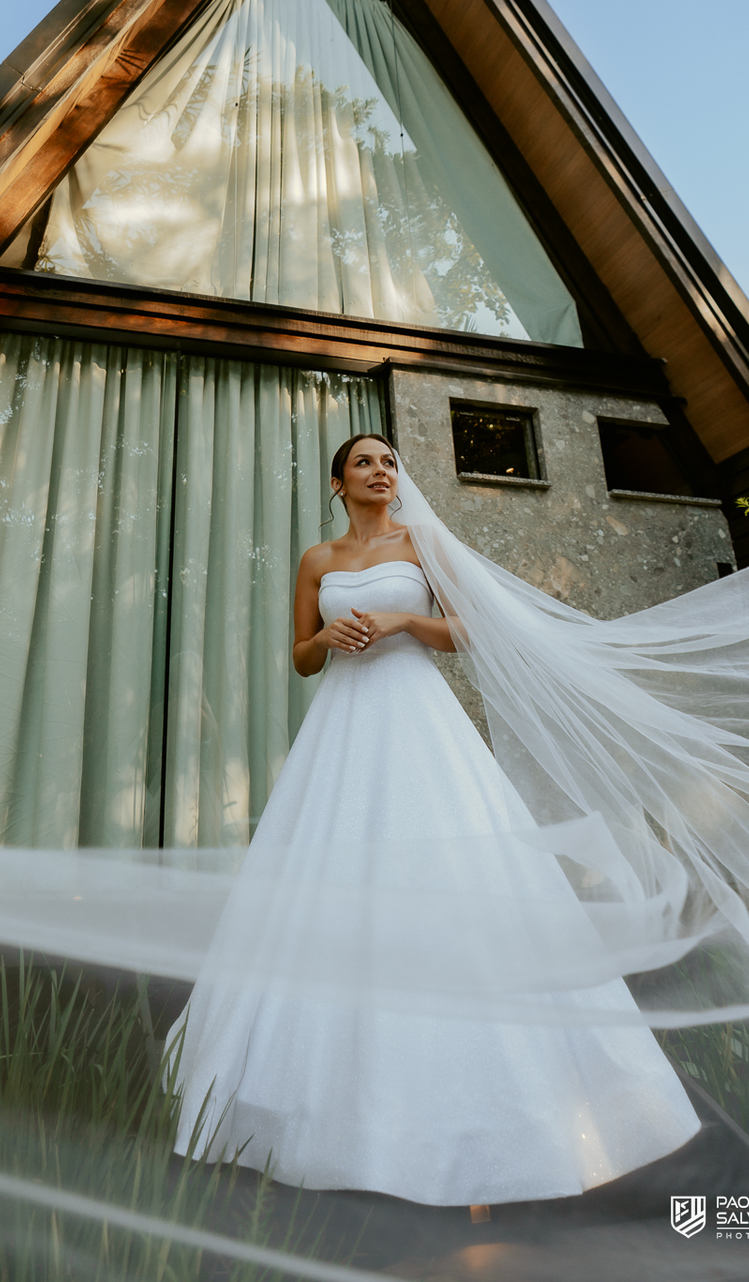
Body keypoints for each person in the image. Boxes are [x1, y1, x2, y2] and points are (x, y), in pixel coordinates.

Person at [167, 432, 704, 1205]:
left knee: (454, 880)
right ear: (337, 482)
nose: (382, 471)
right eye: (365, 463)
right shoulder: (317, 560)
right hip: (342, 728)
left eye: (389, 462)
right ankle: (321, 1121)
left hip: (417, 718)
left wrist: (401, 625)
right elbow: (300, 658)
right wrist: (324, 635)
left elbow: (468, 630)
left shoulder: (422, 543)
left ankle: (493, 1133)